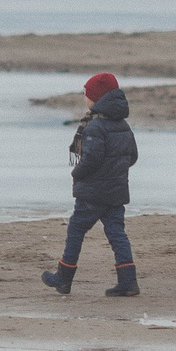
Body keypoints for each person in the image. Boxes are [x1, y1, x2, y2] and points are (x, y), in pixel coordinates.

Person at [43, 72, 137, 297]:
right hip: (116, 191)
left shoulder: (95, 128)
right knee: (117, 234)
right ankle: (128, 281)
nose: (85, 99)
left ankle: (63, 278)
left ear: (98, 98)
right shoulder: (123, 125)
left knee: (76, 230)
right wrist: (116, 172)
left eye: (88, 94)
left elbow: (91, 159)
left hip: (94, 193)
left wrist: (77, 173)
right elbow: (132, 156)